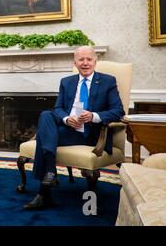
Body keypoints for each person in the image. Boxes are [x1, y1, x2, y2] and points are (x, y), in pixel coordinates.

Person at [24, 46, 125, 210]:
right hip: (70, 131)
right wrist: (66, 119)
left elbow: (119, 111)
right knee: (46, 114)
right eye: (81, 60)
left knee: (44, 136)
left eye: (89, 59)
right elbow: (57, 109)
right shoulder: (67, 81)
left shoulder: (108, 81)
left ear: (95, 61)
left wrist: (94, 116)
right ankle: (49, 174)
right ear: (75, 62)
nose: (85, 63)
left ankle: (44, 192)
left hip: (93, 134)